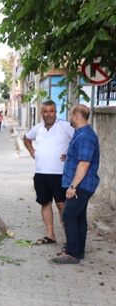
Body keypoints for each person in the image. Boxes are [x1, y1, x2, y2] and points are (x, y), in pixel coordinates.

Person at [51, 104, 100, 264]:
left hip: (81, 185)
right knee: (79, 217)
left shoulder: (85, 136)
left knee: (68, 215)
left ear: (77, 116)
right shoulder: (81, 134)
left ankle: (71, 253)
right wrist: (70, 156)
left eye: (70, 114)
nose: (69, 117)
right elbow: (81, 158)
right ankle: (78, 251)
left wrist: (73, 187)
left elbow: (84, 164)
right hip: (81, 184)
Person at [23, 101, 75, 246]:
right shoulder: (38, 128)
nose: (48, 114)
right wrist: (32, 151)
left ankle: (68, 239)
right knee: (45, 203)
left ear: (55, 112)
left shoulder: (65, 127)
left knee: (61, 205)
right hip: (41, 174)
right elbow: (26, 138)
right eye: (45, 111)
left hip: (60, 174)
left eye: (51, 111)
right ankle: (50, 235)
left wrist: (70, 154)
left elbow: (78, 140)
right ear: (41, 113)